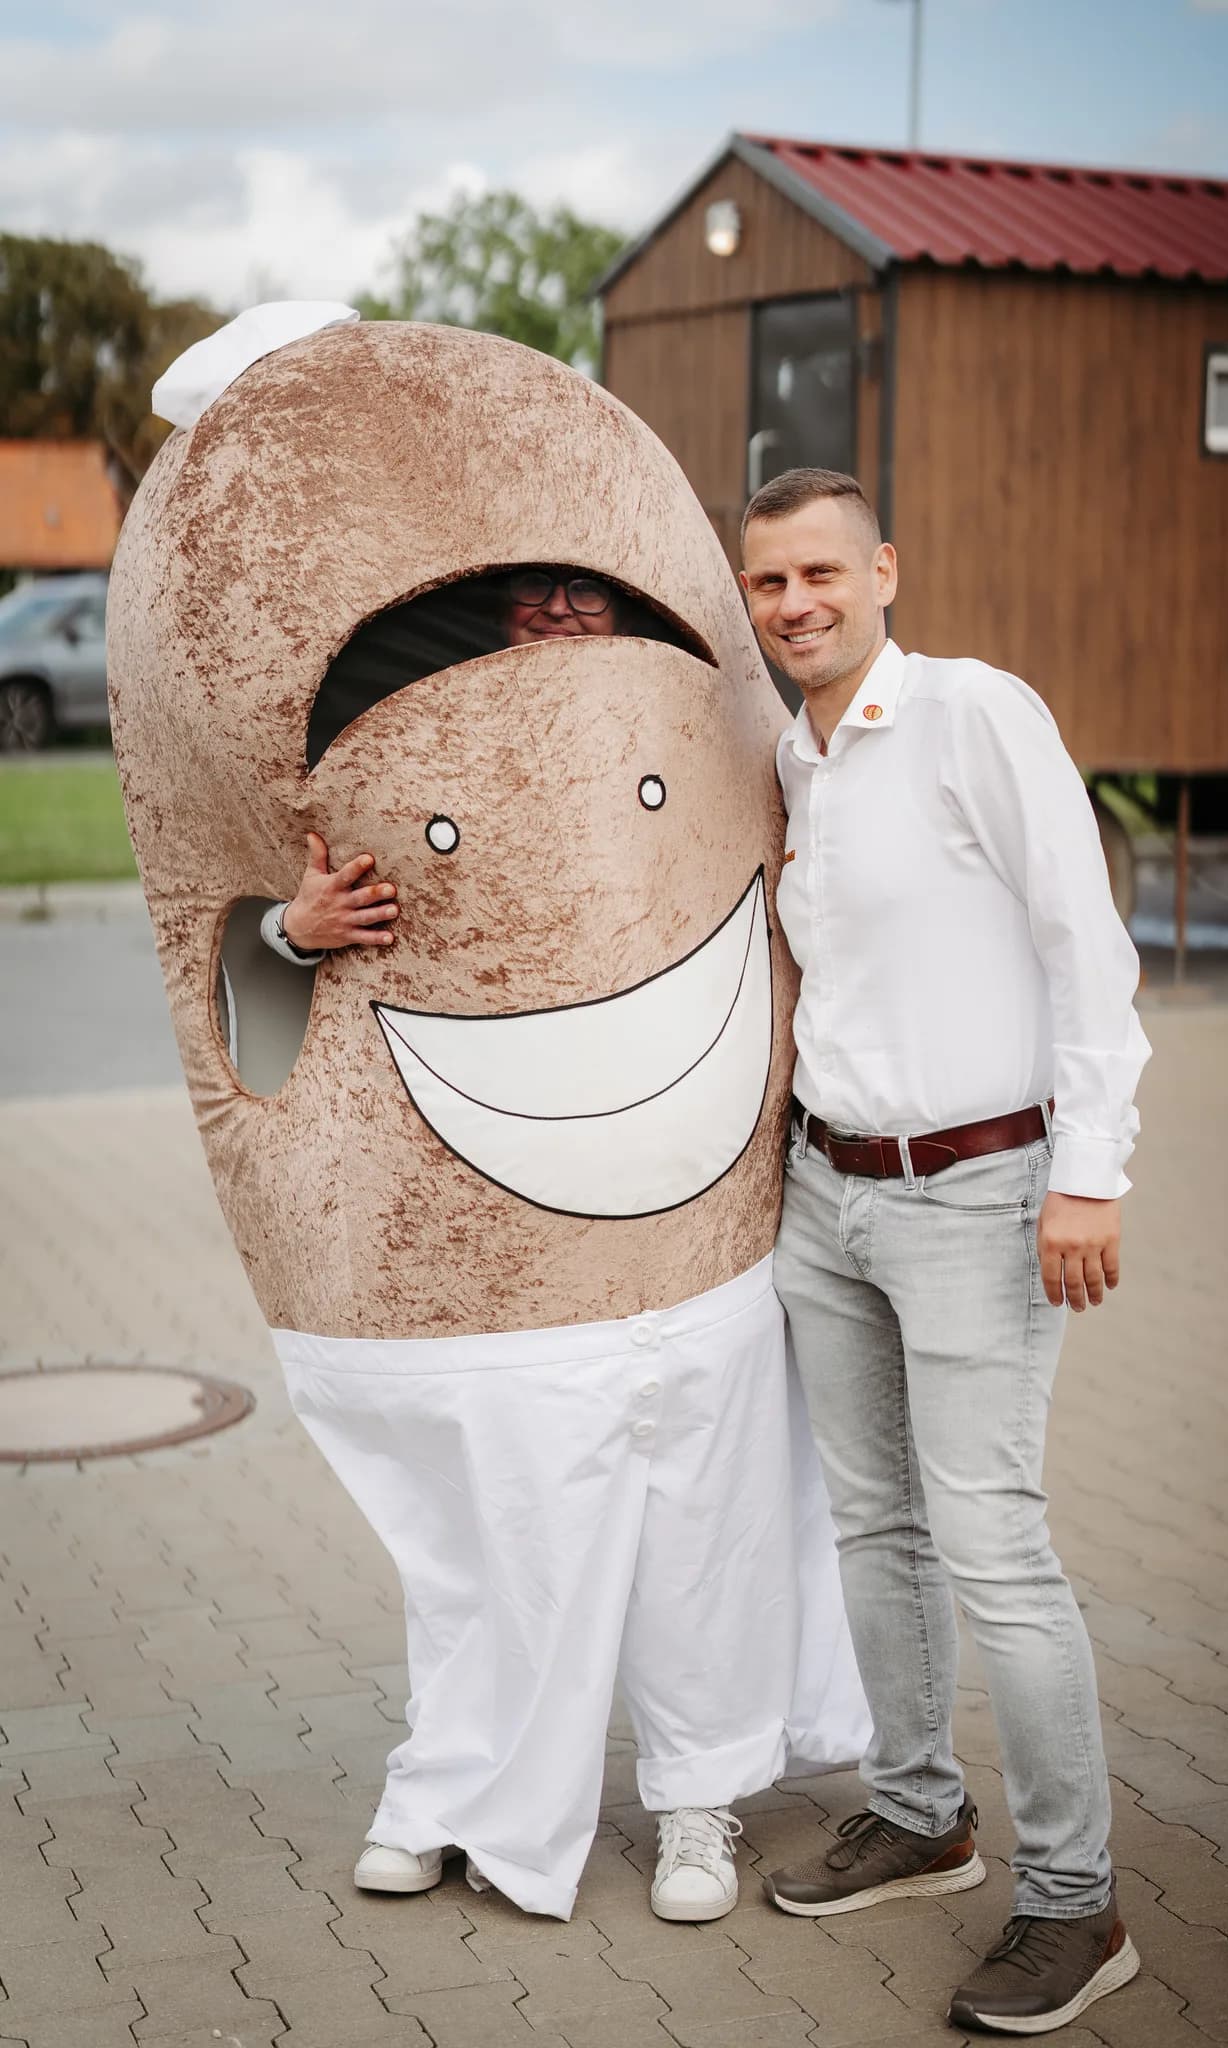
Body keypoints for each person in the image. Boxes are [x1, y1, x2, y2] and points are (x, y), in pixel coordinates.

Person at [254, 556, 869, 1919]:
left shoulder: (715, 734)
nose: (560, 621)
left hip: (699, 1230)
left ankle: (698, 1802)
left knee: (702, 1528)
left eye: (584, 598)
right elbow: (219, 915)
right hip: (501, 1259)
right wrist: (291, 932)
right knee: (498, 1538)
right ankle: (460, 1793)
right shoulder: (393, 740)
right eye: (529, 600)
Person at [739, 467, 1150, 2034]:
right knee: (874, 1528)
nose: (797, 606)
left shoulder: (977, 715)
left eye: (822, 573)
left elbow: (1082, 945)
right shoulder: (793, 757)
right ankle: (920, 1815)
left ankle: (1074, 1905)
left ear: (885, 568)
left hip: (984, 1193)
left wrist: (1089, 1176)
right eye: (770, 583)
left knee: (996, 1550)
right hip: (827, 1199)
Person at [261, 567, 620, 962]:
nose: (557, 608)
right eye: (535, 584)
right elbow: (291, 876)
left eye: (587, 591)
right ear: (502, 608)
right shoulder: (419, 725)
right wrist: (292, 930)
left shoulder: (665, 728)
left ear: (623, 617)